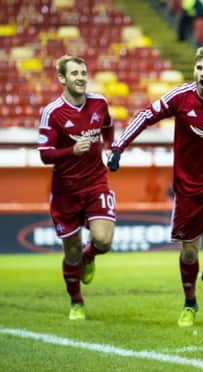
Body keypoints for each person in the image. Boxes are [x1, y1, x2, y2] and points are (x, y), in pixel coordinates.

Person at [108, 47, 203, 327]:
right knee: (189, 252)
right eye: (199, 68)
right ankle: (190, 302)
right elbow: (147, 115)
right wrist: (118, 146)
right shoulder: (181, 96)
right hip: (188, 187)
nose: (202, 74)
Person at [37, 55, 115, 320]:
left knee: (103, 241)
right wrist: (72, 150)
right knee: (70, 252)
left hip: (96, 183)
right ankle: (76, 302)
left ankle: (89, 255)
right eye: (74, 73)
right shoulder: (52, 112)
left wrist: (110, 149)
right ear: (62, 78)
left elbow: (108, 128)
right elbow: (45, 154)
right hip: (66, 191)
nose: (81, 77)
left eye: (83, 72)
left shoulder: (100, 103)